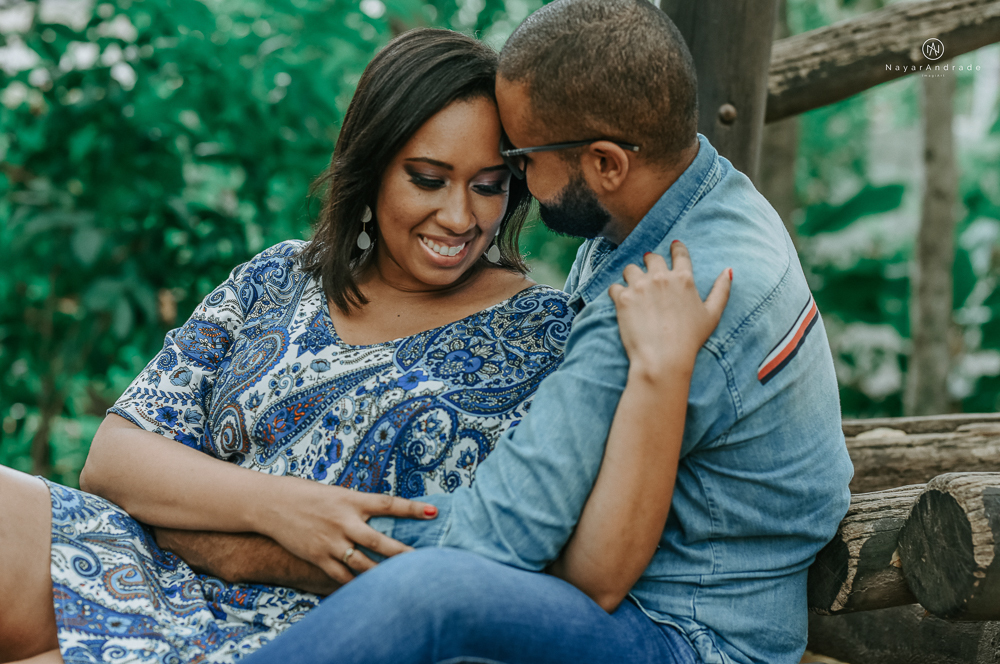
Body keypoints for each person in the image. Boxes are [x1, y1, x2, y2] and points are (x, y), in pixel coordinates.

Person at [0, 27, 730, 664]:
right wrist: (278, 505)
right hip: (143, 568)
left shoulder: (545, 336)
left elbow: (549, 571)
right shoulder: (278, 276)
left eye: (489, 185)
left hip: (317, 629)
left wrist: (214, 534)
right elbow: (115, 459)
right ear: (371, 166)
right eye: (428, 179)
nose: (460, 217)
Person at [237, 2, 855, 664]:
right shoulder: (704, 201)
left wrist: (256, 539)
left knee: (428, 593)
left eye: (521, 157)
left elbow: (502, 542)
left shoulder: (659, 296)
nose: (518, 180)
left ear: (607, 164)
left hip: (688, 634)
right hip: (685, 594)